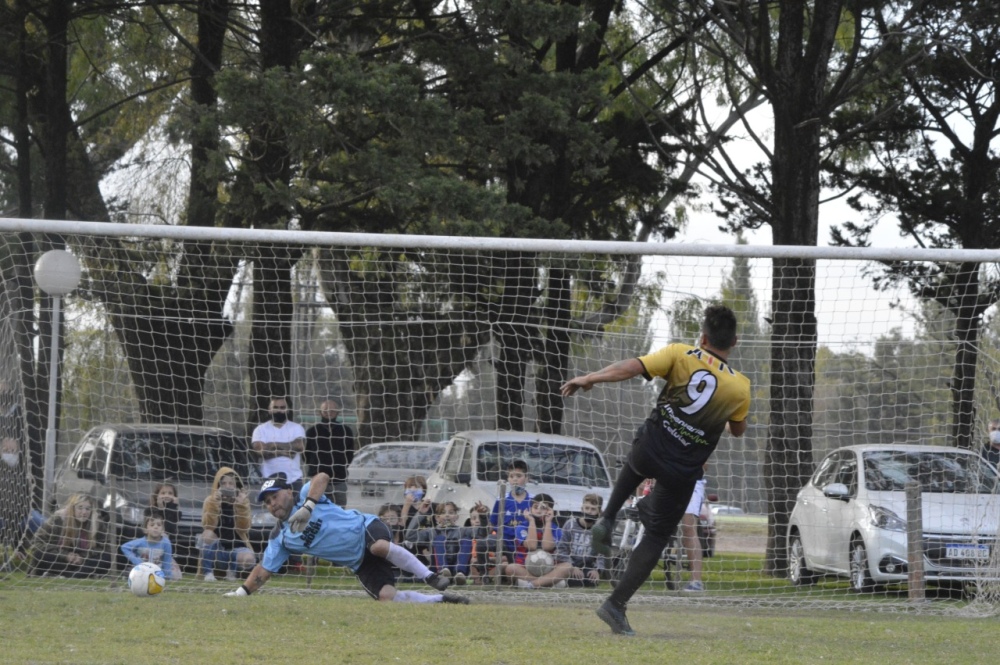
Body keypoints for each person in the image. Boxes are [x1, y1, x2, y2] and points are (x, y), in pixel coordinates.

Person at [561, 304, 750, 636]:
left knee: (639, 456)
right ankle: (615, 605)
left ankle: (608, 516)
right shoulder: (740, 387)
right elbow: (738, 430)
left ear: (702, 337)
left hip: (650, 448)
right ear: (734, 342)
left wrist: (590, 377)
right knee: (658, 535)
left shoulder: (680, 353)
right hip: (683, 469)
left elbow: (631, 367)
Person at [222, 473, 469, 604]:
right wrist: (241, 593)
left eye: (275, 496)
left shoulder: (306, 494)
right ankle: (442, 600)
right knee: (386, 597)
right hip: (359, 562)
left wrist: (308, 506)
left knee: (380, 546)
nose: (272, 504)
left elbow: (322, 477)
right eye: (267, 502)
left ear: (288, 491)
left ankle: (431, 577)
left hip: (367, 528)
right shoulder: (281, 538)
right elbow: (263, 570)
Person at [30, 493, 111, 578]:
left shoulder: (97, 523)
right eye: (80, 508)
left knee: (107, 557)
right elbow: (36, 543)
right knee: (39, 554)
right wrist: (65, 555)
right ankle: (75, 575)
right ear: (72, 508)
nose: (84, 512)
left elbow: (107, 548)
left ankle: (72, 575)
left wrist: (83, 557)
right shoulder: (57, 520)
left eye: (88, 509)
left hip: (83, 563)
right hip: (60, 561)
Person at [200, 467, 256, 581]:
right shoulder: (210, 501)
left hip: (236, 550)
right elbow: (207, 526)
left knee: (249, 559)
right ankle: (208, 573)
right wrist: (215, 503)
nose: (227, 486)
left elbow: (244, 528)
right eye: (224, 483)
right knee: (207, 534)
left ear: (237, 487)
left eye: (231, 483)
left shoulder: (243, 502)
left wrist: (241, 506)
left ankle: (232, 572)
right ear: (218, 485)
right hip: (217, 550)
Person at [544, 493, 605, 588]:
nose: (589, 512)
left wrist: (597, 570)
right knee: (574, 582)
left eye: (593, 509)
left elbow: (603, 553)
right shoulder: (570, 525)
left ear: (599, 512)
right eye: (587, 508)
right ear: (582, 509)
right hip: (568, 563)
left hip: (587, 565)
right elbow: (561, 549)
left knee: (590, 582)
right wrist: (572, 566)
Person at [501, 493, 561, 588]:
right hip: (525, 569)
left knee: (567, 566)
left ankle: (532, 584)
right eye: (535, 507)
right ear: (530, 509)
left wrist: (548, 522)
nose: (538, 510)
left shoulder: (555, 529)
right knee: (510, 568)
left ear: (550, 511)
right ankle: (548, 583)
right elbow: (531, 546)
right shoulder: (521, 527)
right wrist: (532, 521)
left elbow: (547, 547)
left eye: (543, 507)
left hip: (548, 569)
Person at [303, 399, 355, 506]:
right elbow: (305, 454)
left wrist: (340, 466)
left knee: (339, 510)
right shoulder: (312, 431)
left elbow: (349, 454)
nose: (329, 413)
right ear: (320, 412)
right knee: (316, 509)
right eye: (325, 410)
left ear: (337, 412)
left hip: (338, 480)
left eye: (332, 410)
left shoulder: (346, 431)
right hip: (317, 480)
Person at [0, 436, 43, 564]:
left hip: (23, 514)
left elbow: (32, 498)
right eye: (6, 451)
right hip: (3, 516)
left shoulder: (26, 469)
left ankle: (50, 560)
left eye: (13, 451)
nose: (10, 455)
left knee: (45, 525)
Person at [252, 396, 306, 487]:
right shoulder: (260, 429)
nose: (279, 410)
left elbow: (299, 446)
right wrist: (285, 451)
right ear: (269, 409)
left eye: (282, 408)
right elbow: (261, 451)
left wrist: (273, 445)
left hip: (293, 479)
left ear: (288, 410)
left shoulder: (297, 428)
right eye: (275, 407)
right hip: (268, 478)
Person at [120, 509, 180, 580]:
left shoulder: (166, 543)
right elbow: (124, 547)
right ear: (145, 530)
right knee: (130, 572)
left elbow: (167, 561)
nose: (156, 527)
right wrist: (137, 562)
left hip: (158, 570)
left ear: (163, 530)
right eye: (152, 525)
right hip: (143, 570)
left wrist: (167, 576)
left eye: (159, 525)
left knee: (176, 575)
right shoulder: (140, 542)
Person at [148, 482, 185, 571]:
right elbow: (156, 524)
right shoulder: (150, 510)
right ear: (157, 495)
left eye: (170, 493)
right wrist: (160, 508)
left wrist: (173, 506)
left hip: (169, 542)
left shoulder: (177, 512)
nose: (166, 495)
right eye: (163, 493)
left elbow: (169, 527)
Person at [680, 477, 708, 592]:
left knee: (688, 528)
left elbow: (705, 465)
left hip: (691, 482)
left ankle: (696, 581)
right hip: (665, 478)